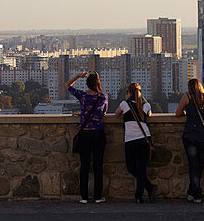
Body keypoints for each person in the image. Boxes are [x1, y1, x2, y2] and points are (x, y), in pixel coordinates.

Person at [174, 78, 204, 203]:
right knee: (199, 164)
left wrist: (187, 112)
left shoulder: (187, 97)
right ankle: (196, 193)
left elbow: (177, 113)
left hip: (190, 136)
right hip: (203, 136)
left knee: (193, 165)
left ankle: (193, 192)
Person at [66, 71, 108, 203]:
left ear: (87, 83)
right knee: (98, 166)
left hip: (85, 133)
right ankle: (97, 196)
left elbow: (67, 85)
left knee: (84, 166)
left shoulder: (83, 96)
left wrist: (78, 76)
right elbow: (104, 112)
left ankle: (84, 197)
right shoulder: (103, 97)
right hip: (98, 134)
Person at [114, 82, 157, 203]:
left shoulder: (124, 104)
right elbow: (149, 115)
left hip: (131, 140)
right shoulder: (146, 105)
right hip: (144, 139)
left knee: (131, 166)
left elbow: (117, 115)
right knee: (141, 168)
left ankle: (142, 193)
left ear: (129, 93)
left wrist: (125, 115)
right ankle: (144, 191)